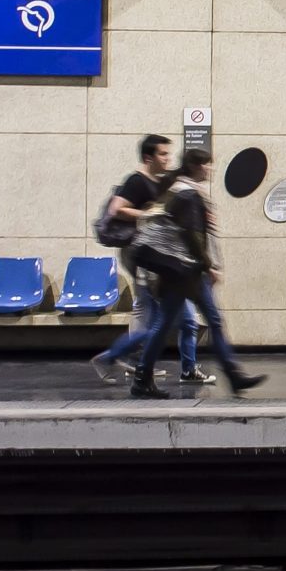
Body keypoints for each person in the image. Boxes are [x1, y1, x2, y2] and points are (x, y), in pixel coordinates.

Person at [128, 148, 265, 399]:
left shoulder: (178, 188)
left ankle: (143, 378)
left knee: (177, 322)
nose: (211, 170)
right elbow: (193, 236)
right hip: (185, 270)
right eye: (208, 165)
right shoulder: (188, 193)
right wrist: (208, 265)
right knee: (201, 321)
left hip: (180, 270)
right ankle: (232, 376)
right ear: (197, 167)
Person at [90, 134, 207, 386]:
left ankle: (142, 365)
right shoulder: (137, 181)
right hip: (148, 261)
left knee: (158, 318)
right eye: (162, 154)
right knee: (170, 319)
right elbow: (116, 209)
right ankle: (125, 361)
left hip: (158, 259)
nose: (167, 158)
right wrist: (150, 214)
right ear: (148, 157)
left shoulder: (160, 181)